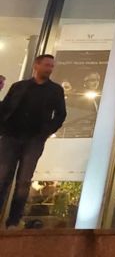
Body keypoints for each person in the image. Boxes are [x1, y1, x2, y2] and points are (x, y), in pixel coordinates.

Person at [0, 54, 66, 229]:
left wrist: (46, 132)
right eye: (47, 65)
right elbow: (5, 108)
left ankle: (13, 220)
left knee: (24, 180)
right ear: (36, 65)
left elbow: (60, 114)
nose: (49, 69)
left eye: (51, 66)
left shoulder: (55, 90)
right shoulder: (19, 87)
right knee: (2, 176)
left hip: (34, 139)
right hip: (11, 136)